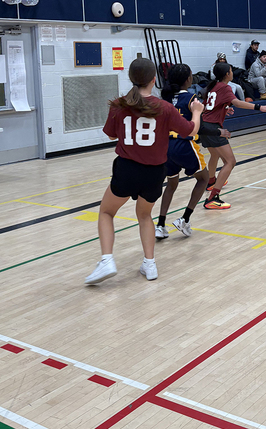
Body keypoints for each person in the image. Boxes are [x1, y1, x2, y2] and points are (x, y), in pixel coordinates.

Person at [84, 58, 203, 285]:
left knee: (107, 212)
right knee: (145, 215)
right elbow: (190, 131)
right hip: (155, 172)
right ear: (153, 79)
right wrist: (196, 112)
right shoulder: (165, 108)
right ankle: (150, 264)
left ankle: (107, 259)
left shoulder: (119, 104)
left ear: (131, 78)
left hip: (127, 168)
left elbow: (111, 135)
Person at [155, 64, 224, 239]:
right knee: (203, 179)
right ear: (188, 79)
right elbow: (198, 127)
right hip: (184, 144)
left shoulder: (166, 98)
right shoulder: (193, 99)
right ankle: (184, 219)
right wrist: (219, 132)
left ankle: (161, 224)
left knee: (171, 184)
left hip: (166, 146)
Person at [202, 62, 266, 209]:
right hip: (214, 128)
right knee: (230, 162)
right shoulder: (225, 87)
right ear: (226, 74)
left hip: (204, 126)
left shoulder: (213, 86)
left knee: (215, 156)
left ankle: (211, 182)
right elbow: (237, 103)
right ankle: (212, 198)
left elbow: (207, 107)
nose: (232, 73)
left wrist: (223, 109)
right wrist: (260, 107)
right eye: (230, 71)